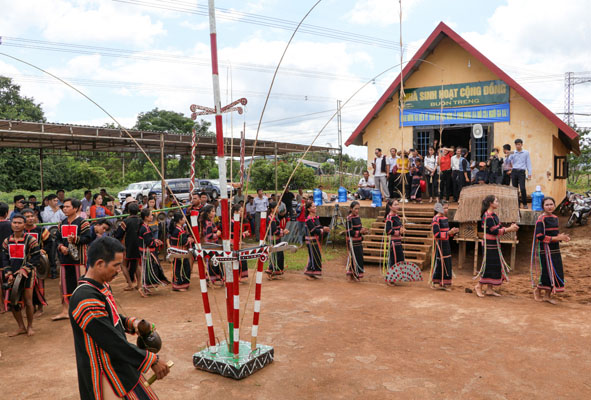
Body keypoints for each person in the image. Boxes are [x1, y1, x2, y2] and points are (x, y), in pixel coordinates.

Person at [68, 236, 170, 399]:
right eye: (116, 265)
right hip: (104, 373)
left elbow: (110, 318)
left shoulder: (101, 286)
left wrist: (132, 323)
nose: (118, 270)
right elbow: (111, 340)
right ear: (100, 264)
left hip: (119, 366)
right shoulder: (85, 299)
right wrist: (151, 360)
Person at [52, 198, 92, 321]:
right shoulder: (62, 223)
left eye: (68, 207)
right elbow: (57, 239)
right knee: (62, 285)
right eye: (64, 207)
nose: (65, 208)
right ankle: (65, 310)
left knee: (80, 283)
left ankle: (84, 309)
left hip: (78, 259)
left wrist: (75, 239)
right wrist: (61, 246)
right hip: (65, 259)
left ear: (75, 208)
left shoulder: (83, 223)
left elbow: (87, 238)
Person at [1, 213, 41, 337]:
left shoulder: (31, 240)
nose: (17, 225)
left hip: (27, 274)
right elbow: (4, 258)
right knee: (13, 301)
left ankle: (30, 326)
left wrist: (24, 269)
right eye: (14, 223)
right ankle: (21, 326)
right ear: (11, 224)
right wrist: (8, 273)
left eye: (19, 223)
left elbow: (36, 258)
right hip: (12, 275)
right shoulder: (7, 241)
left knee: (28, 301)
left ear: (24, 225)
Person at [474, 195, 519, 298]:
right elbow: (494, 231)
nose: (498, 203)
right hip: (489, 244)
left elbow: (498, 227)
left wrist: (509, 228)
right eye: (496, 201)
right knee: (488, 265)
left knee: (495, 265)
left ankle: (489, 289)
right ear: (491, 203)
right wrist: (509, 229)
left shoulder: (494, 215)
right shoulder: (487, 216)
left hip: (495, 243)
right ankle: (478, 286)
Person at [531, 197, 570, 304]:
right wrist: (557, 238)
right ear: (543, 206)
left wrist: (562, 237)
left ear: (554, 205)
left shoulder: (555, 218)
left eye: (551, 204)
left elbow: (555, 233)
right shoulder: (541, 219)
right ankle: (538, 290)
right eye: (547, 205)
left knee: (555, 270)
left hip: (555, 249)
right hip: (545, 249)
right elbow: (540, 236)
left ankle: (547, 296)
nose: (549, 207)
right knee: (547, 271)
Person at [22, 208, 51, 316]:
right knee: (27, 286)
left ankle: (40, 307)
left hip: (38, 263)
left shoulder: (41, 230)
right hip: (25, 263)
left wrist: (44, 250)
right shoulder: (21, 232)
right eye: (27, 216)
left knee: (39, 285)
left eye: (31, 216)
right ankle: (31, 307)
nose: (30, 218)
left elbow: (49, 243)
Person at [138, 208, 169, 297]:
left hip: (146, 252)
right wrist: (156, 243)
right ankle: (142, 288)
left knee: (147, 269)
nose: (152, 217)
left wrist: (154, 241)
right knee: (148, 270)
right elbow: (149, 243)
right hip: (147, 253)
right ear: (146, 217)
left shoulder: (145, 227)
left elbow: (148, 240)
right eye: (151, 215)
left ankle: (146, 288)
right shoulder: (145, 229)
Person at [114, 203, 143, 292]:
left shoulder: (125, 221)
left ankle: (130, 284)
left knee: (123, 264)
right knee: (137, 264)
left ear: (129, 211)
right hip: (139, 245)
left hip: (127, 246)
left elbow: (118, 234)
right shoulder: (141, 221)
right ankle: (139, 284)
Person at [430, 202, 458, 289]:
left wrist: (452, 232)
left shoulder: (445, 218)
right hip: (439, 244)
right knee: (439, 261)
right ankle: (436, 281)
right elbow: (436, 234)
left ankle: (444, 282)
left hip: (446, 243)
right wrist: (449, 233)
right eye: (445, 208)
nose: (447, 210)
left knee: (446, 261)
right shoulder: (436, 219)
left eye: (447, 208)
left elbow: (447, 232)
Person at [304, 200, 329, 279]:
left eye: (315, 206)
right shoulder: (308, 219)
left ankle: (312, 272)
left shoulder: (316, 218)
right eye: (313, 206)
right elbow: (313, 230)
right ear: (308, 209)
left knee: (316, 256)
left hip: (316, 240)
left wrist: (323, 228)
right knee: (313, 256)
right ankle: (309, 271)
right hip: (311, 240)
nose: (315, 208)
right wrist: (323, 230)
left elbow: (318, 227)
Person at [169, 212, 193, 291]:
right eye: (183, 218)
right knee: (179, 269)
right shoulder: (178, 230)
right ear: (180, 220)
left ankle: (182, 284)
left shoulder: (180, 229)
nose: (185, 219)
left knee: (183, 268)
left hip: (181, 252)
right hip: (179, 252)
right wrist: (189, 240)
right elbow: (184, 242)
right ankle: (178, 285)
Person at [384, 199, 406, 286]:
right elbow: (388, 231)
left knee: (399, 259)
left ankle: (394, 277)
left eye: (398, 204)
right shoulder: (389, 218)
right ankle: (389, 278)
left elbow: (400, 227)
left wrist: (402, 229)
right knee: (393, 260)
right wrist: (398, 232)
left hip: (398, 241)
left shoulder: (397, 216)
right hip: (393, 242)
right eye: (395, 205)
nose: (398, 206)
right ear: (390, 207)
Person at [200, 204, 222, 285]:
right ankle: (211, 279)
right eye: (212, 211)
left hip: (212, 245)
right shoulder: (208, 223)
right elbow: (209, 236)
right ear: (208, 213)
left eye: (214, 211)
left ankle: (213, 279)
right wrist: (217, 234)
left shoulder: (209, 222)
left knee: (213, 261)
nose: (214, 213)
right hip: (210, 245)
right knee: (212, 262)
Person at [345, 201, 367, 281]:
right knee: (353, 258)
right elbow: (349, 231)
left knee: (359, 257)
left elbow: (359, 227)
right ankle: (352, 274)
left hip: (358, 241)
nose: (357, 211)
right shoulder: (349, 218)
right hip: (352, 242)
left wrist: (363, 230)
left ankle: (355, 274)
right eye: (355, 209)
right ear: (351, 209)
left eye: (358, 209)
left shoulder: (358, 217)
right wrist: (359, 232)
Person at [266, 203, 289, 279]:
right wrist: (283, 233)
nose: (278, 209)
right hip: (274, 240)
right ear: (273, 209)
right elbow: (274, 231)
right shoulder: (271, 218)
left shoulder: (274, 217)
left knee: (279, 255)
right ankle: (271, 270)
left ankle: (275, 272)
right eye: (277, 207)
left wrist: (282, 230)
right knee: (275, 255)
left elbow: (277, 229)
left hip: (277, 239)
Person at [511, 138, 533, 208]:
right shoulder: (513, 152)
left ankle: (525, 204)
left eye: (519, 144)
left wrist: (529, 173)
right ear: (515, 145)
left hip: (521, 172)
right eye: (516, 145)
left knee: (522, 188)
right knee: (515, 189)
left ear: (521, 145)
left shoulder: (526, 153)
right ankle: (516, 204)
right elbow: (509, 161)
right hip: (514, 171)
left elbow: (528, 163)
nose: (518, 146)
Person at [231, 203, 250, 279]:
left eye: (242, 211)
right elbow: (234, 235)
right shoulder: (233, 222)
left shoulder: (235, 221)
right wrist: (244, 234)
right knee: (237, 259)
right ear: (235, 212)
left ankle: (239, 275)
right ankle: (237, 276)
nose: (242, 213)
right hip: (234, 243)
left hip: (236, 242)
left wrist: (243, 234)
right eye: (240, 211)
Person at [0, 202, 12, 311]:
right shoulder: (10, 225)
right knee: (8, 280)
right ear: (6, 212)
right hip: (8, 257)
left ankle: (1, 306)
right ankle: (9, 303)